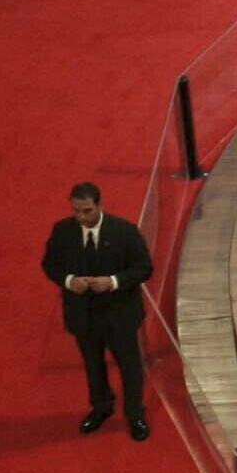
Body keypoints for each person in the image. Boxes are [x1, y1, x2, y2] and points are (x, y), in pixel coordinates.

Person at [40, 180, 153, 439]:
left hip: (120, 314)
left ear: (99, 205)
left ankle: (135, 415)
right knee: (93, 365)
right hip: (84, 315)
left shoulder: (125, 231)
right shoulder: (62, 231)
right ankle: (101, 407)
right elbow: (50, 265)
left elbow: (144, 268)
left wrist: (112, 282)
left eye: (87, 211)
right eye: (76, 211)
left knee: (130, 367)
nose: (81, 216)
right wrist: (70, 281)